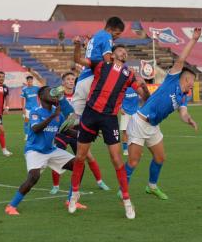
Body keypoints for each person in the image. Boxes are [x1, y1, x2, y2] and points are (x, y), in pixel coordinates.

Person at [68, 40, 150, 219]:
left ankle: (127, 202)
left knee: (116, 159)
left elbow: (144, 97)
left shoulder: (129, 75)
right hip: (90, 114)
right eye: (120, 50)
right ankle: (74, 194)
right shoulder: (100, 64)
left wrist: (143, 85)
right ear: (112, 54)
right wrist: (76, 45)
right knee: (80, 156)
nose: (124, 53)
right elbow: (77, 59)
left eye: (125, 52)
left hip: (109, 119)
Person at [124, 28, 202, 200]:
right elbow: (181, 59)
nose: (192, 85)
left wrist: (188, 120)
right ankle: (123, 189)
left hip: (153, 126)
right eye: (192, 82)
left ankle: (151, 186)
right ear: (187, 78)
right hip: (140, 122)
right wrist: (193, 40)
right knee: (133, 162)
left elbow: (183, 113)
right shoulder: (172, 78)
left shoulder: (184, 96)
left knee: (160, 158)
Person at [5, 86, 75, 215]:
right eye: (50, 92)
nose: (54, 94)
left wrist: (86, 134)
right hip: (34, 150)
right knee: (33, 177)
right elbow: (36, 128)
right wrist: (53, 116)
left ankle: (72, 200)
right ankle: (11, 206)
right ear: (42, 96)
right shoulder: (35, 111)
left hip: (51, 150)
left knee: (78, 165)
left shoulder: (57, 111)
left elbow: (65, 130)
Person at [49, 72, 110, 195]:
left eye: (73, 79)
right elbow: (52, 101)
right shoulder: (58, 95)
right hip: (62, 131)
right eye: (68, 79)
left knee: (89, 157)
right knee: (57, 157)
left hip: (77, 131)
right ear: (63, 82)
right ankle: (56, 186)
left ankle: (100, 181)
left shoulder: (80, 95)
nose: (71, 81)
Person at [71, 16, 124, 117]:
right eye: (117, 33)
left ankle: (65, 132)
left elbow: (79, 60)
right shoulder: (107, 36)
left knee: (75, 117)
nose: (117, 37)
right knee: (100, 117)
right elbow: (107, 61)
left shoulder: (96, 36)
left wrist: (77, 45)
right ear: (110, 29)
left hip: (83, 79)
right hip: (95, 78)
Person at [119, 87, 140, 156]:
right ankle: (125, 149)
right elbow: (118, 98)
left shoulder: (137, 87)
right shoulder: (123, 87)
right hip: (125, 112)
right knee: (125, 131)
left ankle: (136, 149)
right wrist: (120, 107)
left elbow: (142, 97)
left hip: (136, 112)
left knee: (136, 132)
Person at [21, 75, 40, 140]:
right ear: (27, 81)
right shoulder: (24, 89)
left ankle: (36, 134)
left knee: (36, 122)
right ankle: (26, 135)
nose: (30, 82)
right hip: (28, 108)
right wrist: (23, 108)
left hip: (35, 109)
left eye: (31, 81)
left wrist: (40, 105)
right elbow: (22, 99)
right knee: (26, 122)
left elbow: (42, 93)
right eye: (28, 81)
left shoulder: (36, 88)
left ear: (32, 81)